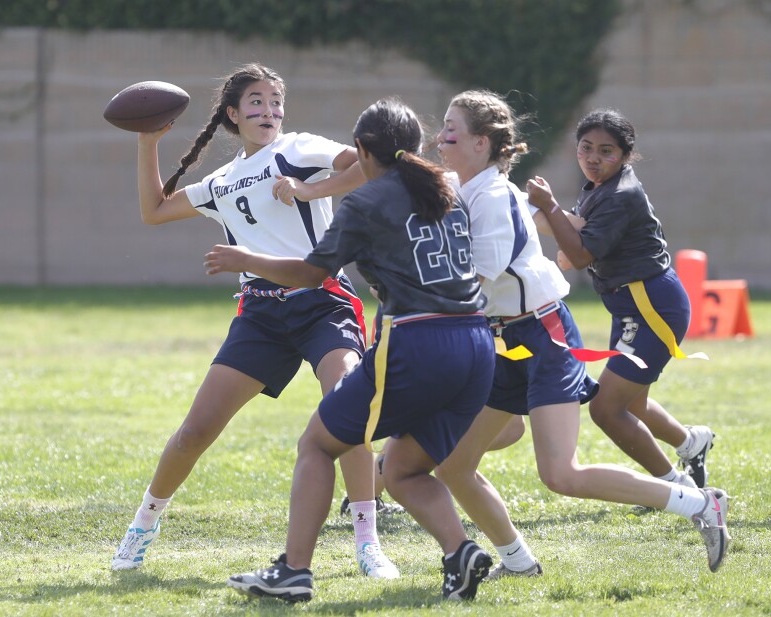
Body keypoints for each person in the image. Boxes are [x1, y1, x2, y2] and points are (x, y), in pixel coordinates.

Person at [110, 63, 399, 580]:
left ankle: (367, 542)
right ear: (232, 115)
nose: (270, 111)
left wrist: (310, 190)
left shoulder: (298, 148)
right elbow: (154, 210)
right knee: (195, 431)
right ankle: (142, 527)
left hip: (323, 303)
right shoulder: (221, 181)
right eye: (257, 103)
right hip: (261, 315)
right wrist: (147, 140)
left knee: (346, 407)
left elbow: (367, 166)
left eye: (276, 102)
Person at [206, 97, 499, 602]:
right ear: (415, 146)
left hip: (417, 341)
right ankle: (460, 553)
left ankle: (294, 571)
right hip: (476, 344)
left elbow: (309, 274)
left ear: (362, 149)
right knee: (404, 469)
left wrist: (245, 257)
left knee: (319, 444)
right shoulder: (445, 186)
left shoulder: (367, 201)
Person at [435, 91, 730, 579]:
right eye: (586, 148)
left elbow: (477, 278)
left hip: (547, 332)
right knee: (453, 466)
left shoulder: (491, 196)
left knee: (565, 469)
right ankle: (519, 562)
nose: (439, 135)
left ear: (481, 142)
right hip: (511, 337)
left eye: (450, 127)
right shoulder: (464, 186)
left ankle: (698, 503)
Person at [527, 108, 715, 490]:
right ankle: (691, 442)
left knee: (606, 409)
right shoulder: (602, 186)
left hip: (651, 307)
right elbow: (577, 231)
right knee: (630, 404)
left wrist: (546, 207)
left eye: (606, 151)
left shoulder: (620, 195)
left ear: (626, 155)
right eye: (586, 148)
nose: (593, 158)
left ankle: (675, 486)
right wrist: (521, 208)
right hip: (633, 306)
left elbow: (580, 254)